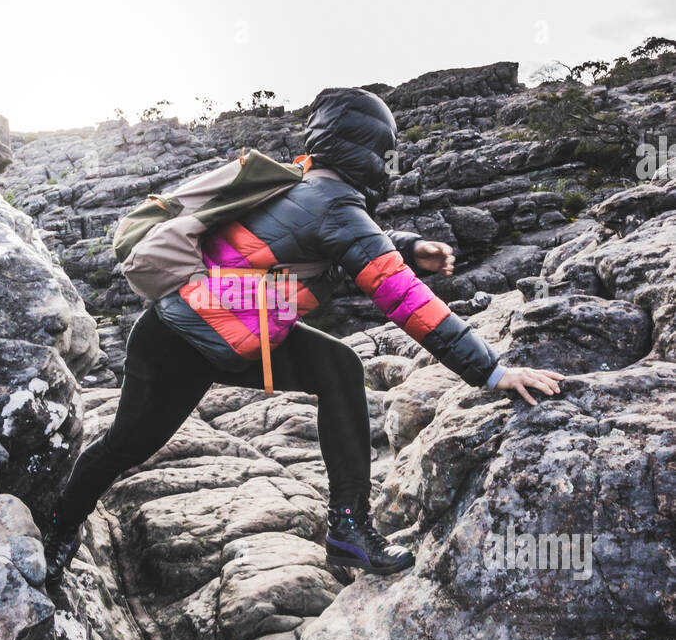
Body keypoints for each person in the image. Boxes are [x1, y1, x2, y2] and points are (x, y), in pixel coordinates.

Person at [42, 88, 562, 584]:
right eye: (385, 152)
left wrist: (410, 244)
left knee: (339, 368)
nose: (387, 164)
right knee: (124, 446)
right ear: (368, 151)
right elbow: (403, 297)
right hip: (180, 340)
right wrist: (491, 371)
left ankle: (349, 529)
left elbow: (342, 238)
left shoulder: (309, 185)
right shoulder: (330, 201)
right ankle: (60, 525)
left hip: (235, 334)